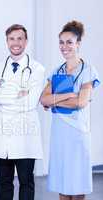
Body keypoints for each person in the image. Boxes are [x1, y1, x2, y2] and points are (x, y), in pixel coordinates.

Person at [40, 21, 100, 200]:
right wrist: (70, 96)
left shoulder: (88, 70)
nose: (64, 46)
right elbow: (43, 99)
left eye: (69, 42)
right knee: (62, 182)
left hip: (77, 133)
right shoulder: (57, 71)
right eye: (61, 42)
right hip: (59, 133)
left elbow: (81, 103)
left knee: (77, 182)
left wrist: (55, 101)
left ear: (78, 44)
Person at [0, 24, 45, 200]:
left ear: (26, 41)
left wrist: (3, 97)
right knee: (4, 183)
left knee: (26, 182)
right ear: (7, 41)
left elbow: (30, 102)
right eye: (12, 38)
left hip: (25, 136)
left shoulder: (36, 69)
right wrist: (18, 94)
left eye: (20, 38)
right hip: (2, 136)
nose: (16, 42)